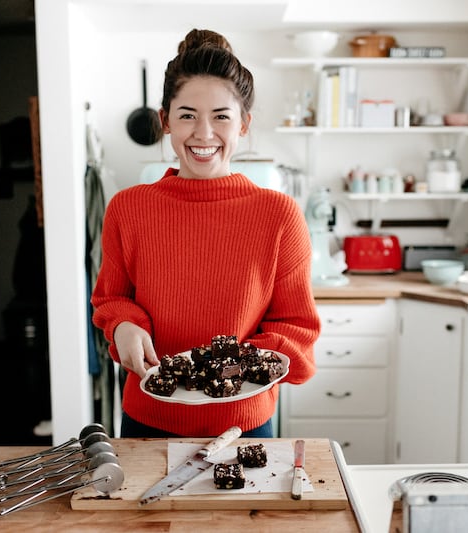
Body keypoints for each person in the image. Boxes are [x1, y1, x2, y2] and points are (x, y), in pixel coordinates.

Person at [91, 29, 320, 438]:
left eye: (221, 116)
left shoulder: (279, 215)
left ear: (244, 124)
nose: (203, 133)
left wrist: (229, 369)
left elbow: (296, 325)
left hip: (242, 426)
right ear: (165, 121)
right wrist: (123, 325)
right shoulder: (128, 208)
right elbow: (112, 299)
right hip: (148, 418)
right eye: (187, 115)